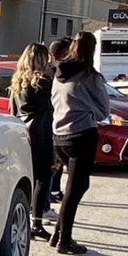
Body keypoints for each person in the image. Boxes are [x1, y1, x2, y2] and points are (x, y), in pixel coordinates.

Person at [48, 32, 109, 254]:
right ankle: (65, 241)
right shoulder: (90, 76)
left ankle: (57, 234)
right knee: (76, 190)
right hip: (82, 135)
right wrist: (86, 109)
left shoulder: (58, 73)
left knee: (73, 187)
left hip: (59, 136)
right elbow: (104, 111)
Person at [8, 43, 55, 240]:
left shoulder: (17, 82)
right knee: (43, 178)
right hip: (40, 133)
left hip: (22, 133)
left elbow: (12, 110)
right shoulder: (43, 82)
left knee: (27, 177)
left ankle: (25, 219)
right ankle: (36, 221)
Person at [45, 37, 73, 208]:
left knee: (57, 166)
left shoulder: (58, 73)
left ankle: (54, 191)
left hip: (56, 126)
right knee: (51, 167)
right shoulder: (52, 75)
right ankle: (45, 204)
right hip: (52, 127)